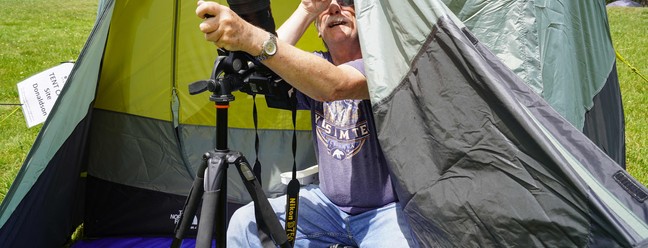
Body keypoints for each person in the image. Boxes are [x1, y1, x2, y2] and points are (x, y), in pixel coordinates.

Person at [196, 0, 418, 247]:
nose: (334, 8)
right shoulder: (314, 66)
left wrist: (248, 35)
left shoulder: (383, 65)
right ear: (318, 30)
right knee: (245, 223)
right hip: (328, 209)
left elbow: (334, 85)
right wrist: (307, 9)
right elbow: (261, 66)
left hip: (385, 212)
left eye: (346, 3)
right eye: (327, 7)